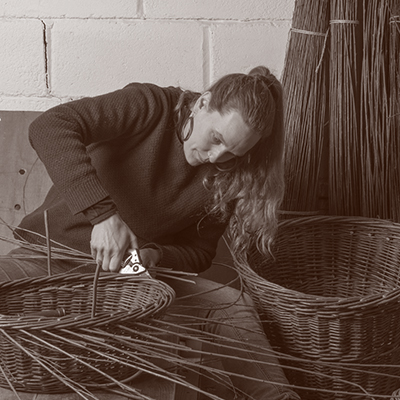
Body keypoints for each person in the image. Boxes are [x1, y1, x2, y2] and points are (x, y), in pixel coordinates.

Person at [0, 66, 300, 400]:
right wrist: (103, 217)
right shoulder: (151, 105)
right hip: (50, 256)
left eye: (233, 154)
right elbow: (49, 126)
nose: (216, 157)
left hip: (132, 277)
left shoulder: (228, 173)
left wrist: (155, 255)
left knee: (231, 304)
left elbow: (199, 252)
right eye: (216, 139)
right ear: (203, 103)